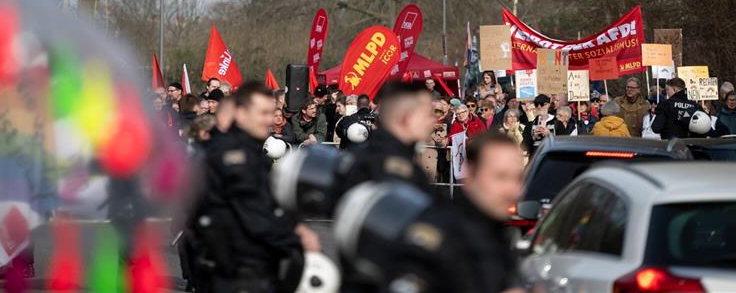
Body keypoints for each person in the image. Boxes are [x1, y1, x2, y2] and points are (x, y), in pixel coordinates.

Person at [189, 82, 318, 293]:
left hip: (243, 266)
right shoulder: (235, 155)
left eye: (272, 112)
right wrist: (295, 238)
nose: (269, 119)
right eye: (263, 113)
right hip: (238, 269)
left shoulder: (248, 149)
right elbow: (252, 213)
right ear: (241, 113)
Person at [382, 132, 525, 293]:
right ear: (469, 175)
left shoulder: (498, 233)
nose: (513, 190)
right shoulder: (437, 235)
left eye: (518, 178)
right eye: (501, 177)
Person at [335, 83, 436, 293]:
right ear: (407, 117)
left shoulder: (368, 156)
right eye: (428, 114)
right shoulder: (391, 167)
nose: (432, 121)